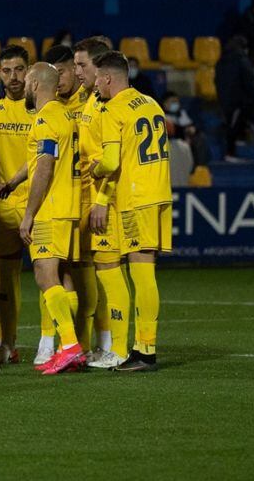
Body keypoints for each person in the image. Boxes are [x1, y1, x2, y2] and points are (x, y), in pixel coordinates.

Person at [91, 51, 172, 373]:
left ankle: (146, 351)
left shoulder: (113, 109)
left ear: (108, 78)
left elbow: (110, 161)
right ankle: (142, 346)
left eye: (98, 78)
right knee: (145, 271)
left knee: (142, 272)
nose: (96, 83)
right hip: (157, 192)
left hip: (135, 197)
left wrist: (95, 168)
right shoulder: (151, 103)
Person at [18, 62, 84, 375]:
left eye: (27, 80)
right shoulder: (65, 115)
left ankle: (69, 345)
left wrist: (29, 214)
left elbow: (44, 166)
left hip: (50, 208)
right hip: (69, 206)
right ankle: (68, 349)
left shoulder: (45, 118)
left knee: (45, 276)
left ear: (35, 83)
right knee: (64, 276)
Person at [74, 36, 127, 368]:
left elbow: (110, 159)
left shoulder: (106, 105)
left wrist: (101, 201)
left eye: (82, 65)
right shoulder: (91, 99)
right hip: (93, 198)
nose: (77, 71)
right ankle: (108, 345)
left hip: (106, 201)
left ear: (99, 68)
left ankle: (116, 348)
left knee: (110, 272)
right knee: (101, 274)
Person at [43, 44, 97, 355]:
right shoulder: (48, 106)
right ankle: (57, 342)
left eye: (62, 71)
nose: (59, 78)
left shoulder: (87, 103)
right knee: (58, 271)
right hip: (60, 201)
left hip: (87, 199)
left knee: (82, 271)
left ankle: (92, 343)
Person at [0, 44, 34, 364]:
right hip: (3, 204)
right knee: (5, 280)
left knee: (51, 276)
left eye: (19, 69)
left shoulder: (41, 105)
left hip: (39, 203)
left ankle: (58, 343)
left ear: (28, 70)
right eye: (6, 70)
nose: (13, 77)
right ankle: (7, 342)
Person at [214, 35, 254, 161]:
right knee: (233, 124)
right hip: (238, 100)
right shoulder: (241, 60)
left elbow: (216, 81)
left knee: (232, 122)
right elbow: (249, 80)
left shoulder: (221, 61)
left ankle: (237, 143)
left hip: (224, 99)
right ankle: (230, 153)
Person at [162, 91, 210, 167]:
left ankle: (200, 167)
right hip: (172, 142)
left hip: (186, 139)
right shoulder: (162, 116)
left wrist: (192, 130)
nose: (176, 104)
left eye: (177, 101)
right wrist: (185, 131)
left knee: (200, 138)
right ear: (165, 104)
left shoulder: (181, 113)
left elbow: (190, 126)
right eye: (173, 102)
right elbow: (173, 131)